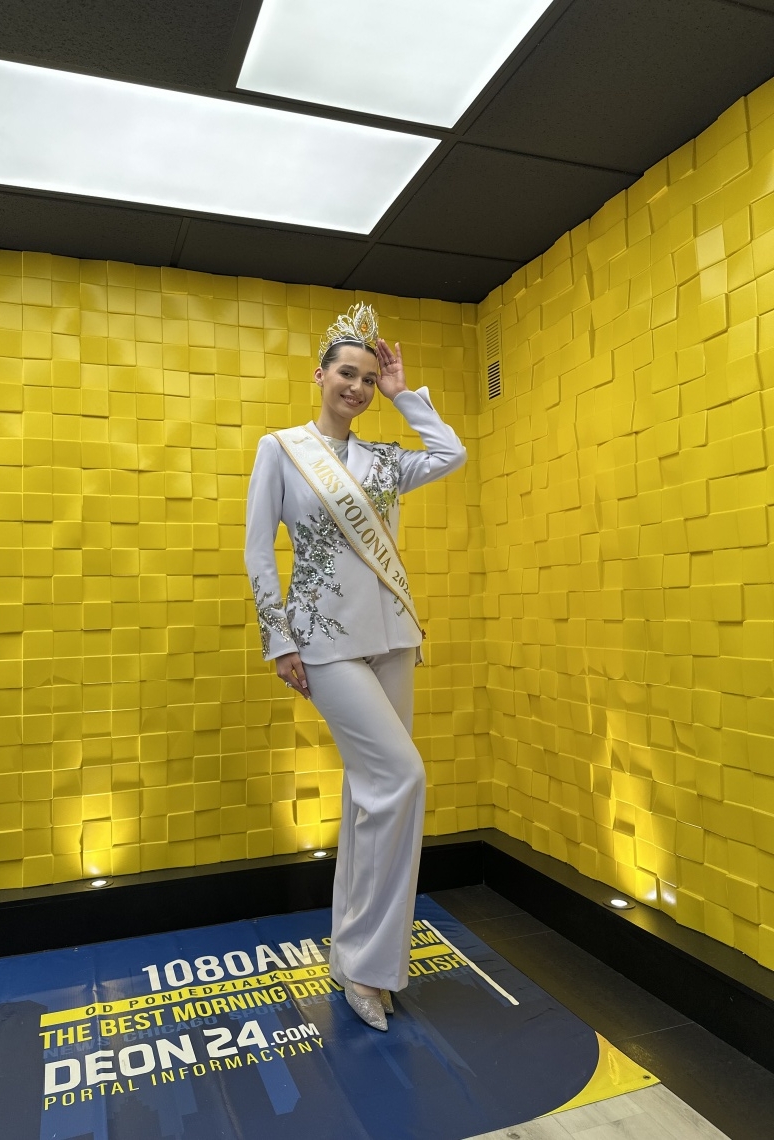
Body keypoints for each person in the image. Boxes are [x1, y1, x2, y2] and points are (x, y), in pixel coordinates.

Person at [244, 303, 466, 1030]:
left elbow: (451, 454)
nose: (358, 387)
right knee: (400, 778)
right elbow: (257, 550)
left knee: (374, 794)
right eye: (348, 373)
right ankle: (369, 968)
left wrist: (406, 395)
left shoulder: (384, 460)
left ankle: (353, 957)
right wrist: (278, 640)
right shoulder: (281, 449)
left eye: (369, 379)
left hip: (393, 636)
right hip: (324, 642)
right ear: (320, 375)